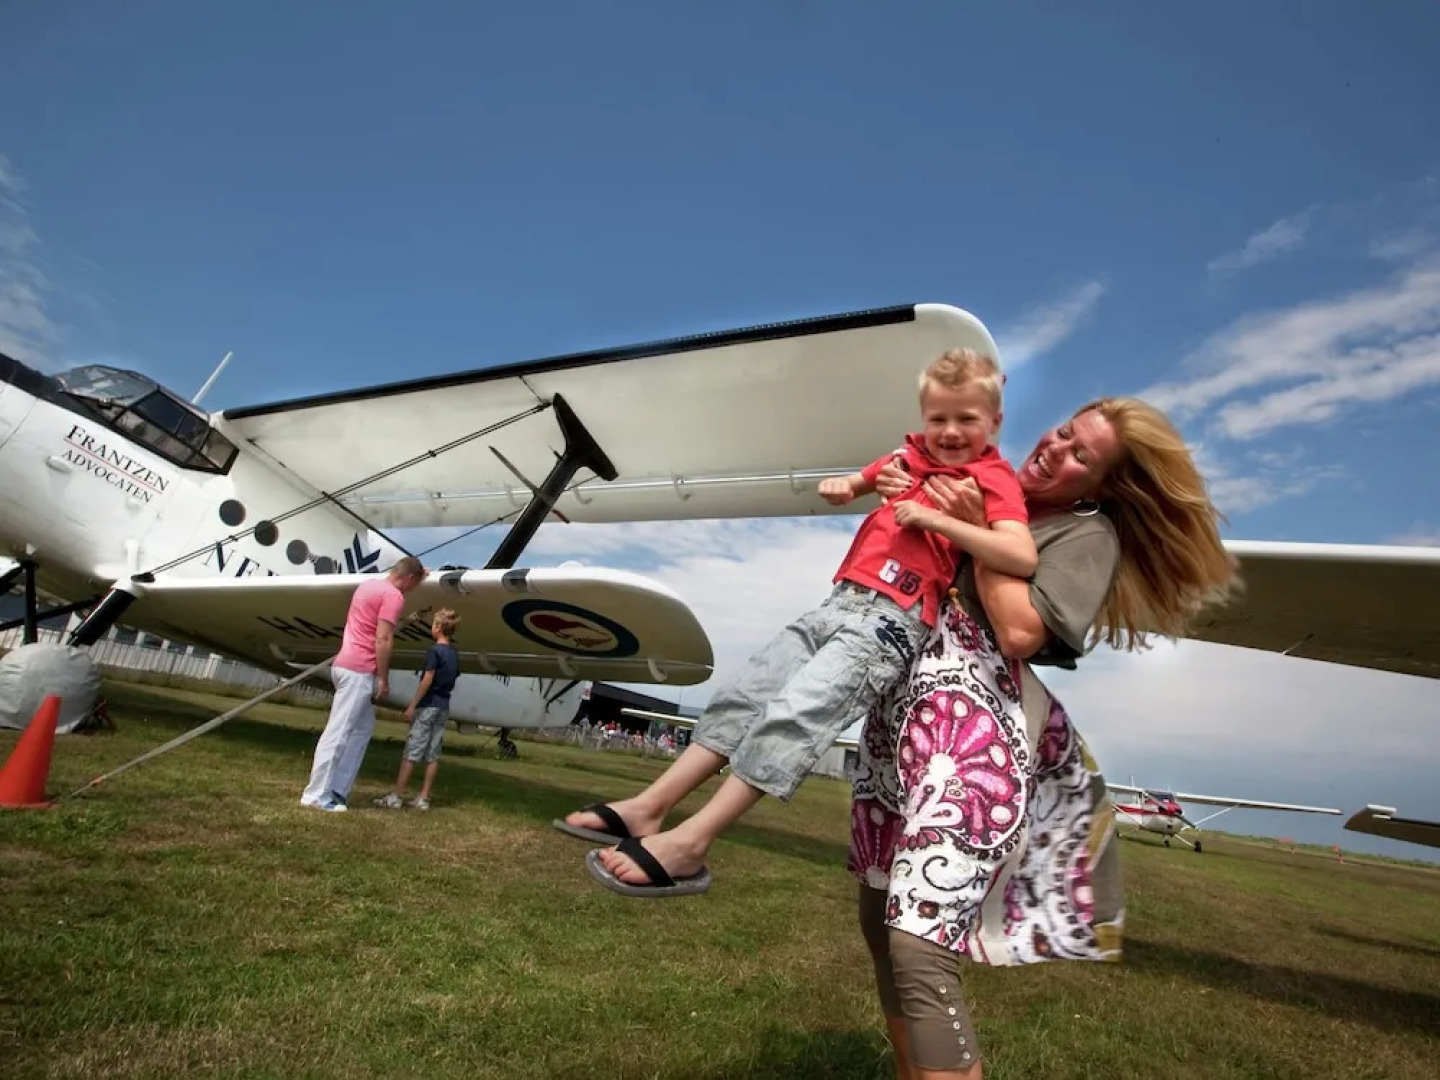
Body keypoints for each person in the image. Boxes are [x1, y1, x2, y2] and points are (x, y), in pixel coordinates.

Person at [557, 348, 1038, 896]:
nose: (950, 432)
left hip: (891, 619)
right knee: (745, 693)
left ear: (995, 422)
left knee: (794, 715)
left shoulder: (992, 477)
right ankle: (651, 806)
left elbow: (1019, 555)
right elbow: (856, 482)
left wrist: (933, 517)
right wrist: (844, 486)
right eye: (938, 418)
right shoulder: (907, 457)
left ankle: (692, 842)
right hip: (839, 601)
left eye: (967, 419)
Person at [851, 398, 1237, 1079]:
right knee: (880, 919)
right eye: (1064, 431)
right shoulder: (988, 484)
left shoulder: (1087, 535)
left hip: (971, 741)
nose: (1058, 449)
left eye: (1082, 455)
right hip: (905, 723)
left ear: (1102, 487)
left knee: (919, 946)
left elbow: (1020, 632)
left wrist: (974, 530)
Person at [300, 556, 427, 812]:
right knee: (339, 732)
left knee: (361, 730)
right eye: (415, 584)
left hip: (345, 664)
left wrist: (408, 618)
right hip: (359, 670)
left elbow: (371, 626)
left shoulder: (367, 586)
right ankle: (316, 795)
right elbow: (382, 639)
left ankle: (337, 790)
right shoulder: (393, 596)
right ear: (410, 579)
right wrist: (383, 677)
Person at [374, 607, 460, 811]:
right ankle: (423, 797)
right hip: (443, 706)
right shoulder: (454, 654)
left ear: (438, 628)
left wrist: (412, 705)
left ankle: (397, 795)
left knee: (412, 751)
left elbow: (427, 679)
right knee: (433, 754)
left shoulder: (434, 652)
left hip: (427, 705)